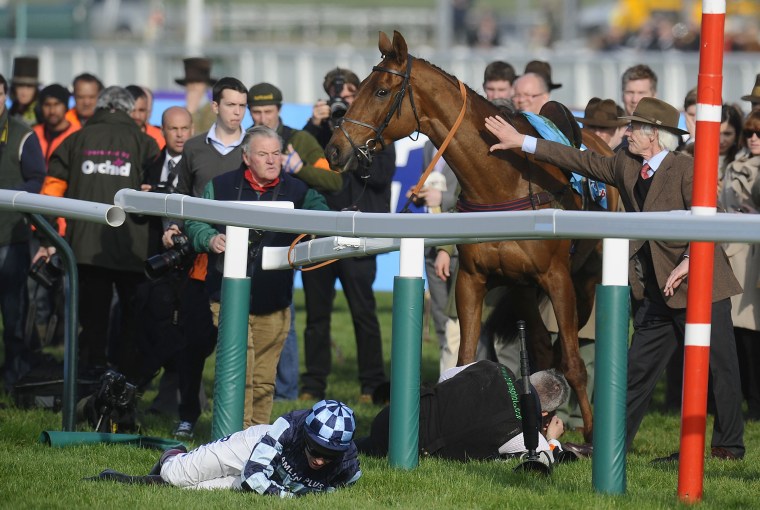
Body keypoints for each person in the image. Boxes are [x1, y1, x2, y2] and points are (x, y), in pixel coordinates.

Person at [484, 96, 746, 461]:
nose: (627, 132)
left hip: (702, 285)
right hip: (657, 292)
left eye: (634, 127)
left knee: (721, 371)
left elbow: (708, 219)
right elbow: (579, 160)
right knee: (633, 374)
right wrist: (523, 142)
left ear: (654, 135)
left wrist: (690, 260)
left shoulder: (686, 168)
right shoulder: (626, 164)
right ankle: (606, 444)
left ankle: (728, 447)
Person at [185, 126, 330, 427]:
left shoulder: (298, 189)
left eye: (276, 153)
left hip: (275, 301)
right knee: (241, 373)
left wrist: (311, 232)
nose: (271, 160)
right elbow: (195, 221)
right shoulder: (220, 185)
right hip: (227, 298)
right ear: (246, 157)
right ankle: (232, 437)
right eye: (263, 154)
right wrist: (210, 239)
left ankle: (254, 438)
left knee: (264, 380)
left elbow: (322, 213)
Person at [37, 86, 160, 381]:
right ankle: (126, 382)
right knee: (131, 321)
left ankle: (90, 377)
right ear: (130, 111)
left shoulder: (75, 140)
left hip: (86, 247)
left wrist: (49, 237)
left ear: (100, 108)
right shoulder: (147, 143)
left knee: (92, 322)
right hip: (135, 248)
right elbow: (157, 195)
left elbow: (51, 191)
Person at [300, 67, 394, 403]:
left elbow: (382, 177)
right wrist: (316, 125)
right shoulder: (315, 132)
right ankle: (312, 384)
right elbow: (300, 167)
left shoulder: (376, 130)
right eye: (336, 94)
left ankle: (371, 384)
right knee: (316, 315)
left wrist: (351, 138)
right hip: (321, 234)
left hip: (359, 234)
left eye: (350, 93)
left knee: (364, 313)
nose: (343, 100)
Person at [247, 81, 342, 401]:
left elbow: (333, 178)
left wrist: (299, 170)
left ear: (280, 110)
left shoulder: (299, 140)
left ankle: (286, 390)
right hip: (247, 241)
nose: (262, 118)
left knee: (284, 313)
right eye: (256, 112)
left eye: (268, 112)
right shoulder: (245, 142)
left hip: (288, 240)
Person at [168, 76, 248, 436]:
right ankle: (188, 413)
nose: (237, 112)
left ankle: (240, 418)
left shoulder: (257, 147)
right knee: (196, 342)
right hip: (202, 264)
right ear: (215, 107)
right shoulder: (195, 149)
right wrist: (172, 226)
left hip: (248, 264)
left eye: (242, 105)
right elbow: (180, 196)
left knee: (248, 342)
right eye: (231, 104)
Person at [89, 399, 362, 496]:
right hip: (252, 449)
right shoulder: (287, 427)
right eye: (314, 450)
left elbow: (339, 493)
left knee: (190, 492)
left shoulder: (349, 466)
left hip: (272, 479)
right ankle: (173, 453)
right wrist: (291, 498)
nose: (319, 460)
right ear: (305, 435)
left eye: (329, 456)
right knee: (174, 476)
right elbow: (254, 474)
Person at [355, 360, 581, 462]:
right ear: (544, 413)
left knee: (357, 447)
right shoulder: (524, 436)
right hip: (408, 448)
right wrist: (552, 438)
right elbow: (545, 457)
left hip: (394, 413)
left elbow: (445, 378)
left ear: (528, 378)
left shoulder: (492, 367)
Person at [0, 73, 46, 392]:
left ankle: (14, 378)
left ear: (5, 95)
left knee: (13, 314)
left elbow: (36, 179)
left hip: (10, 236)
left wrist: (8, 195)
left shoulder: (21, 133)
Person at [719, 110, 760, 420]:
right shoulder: (736, 166)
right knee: (739, 334)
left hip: (751, 255)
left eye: (758, 133)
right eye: (750, 133)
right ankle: (749, 400)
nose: (754, 138)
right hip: (737, 254)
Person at [33, 84, 79, 163]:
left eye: (57, 104)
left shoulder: (77, 135)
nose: (52, 111)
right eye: (47, 105)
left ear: (65, 106)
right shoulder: (33, 134)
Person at [175, 57, 217, 134]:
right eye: (190, 82)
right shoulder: (179, 112)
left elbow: (203, 139)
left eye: (198, 82)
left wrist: (191, 113)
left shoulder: (214, 112)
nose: (193, 86)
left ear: (206, 85)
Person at [125, 84, 166, 149]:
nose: (137, 116)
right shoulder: (113, 137)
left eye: (141, 110)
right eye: (132, 110)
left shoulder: (160, 137)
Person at [9, 56, 40, 127]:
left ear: (35, 90)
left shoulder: (41, 114)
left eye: (29, 87)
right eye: (20, 86)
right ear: (14, 88)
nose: (24, 92)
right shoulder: (10, 112)